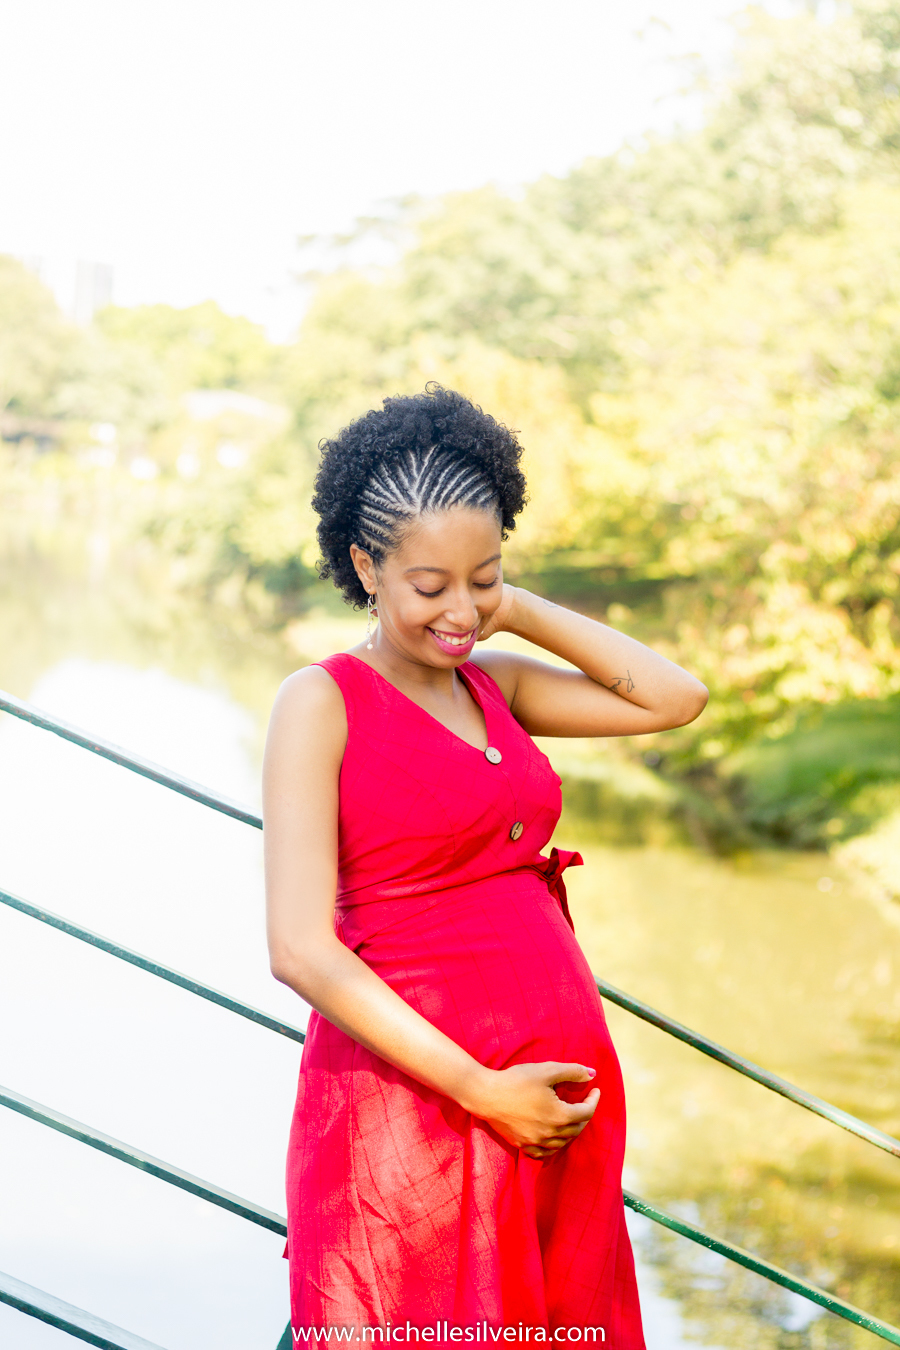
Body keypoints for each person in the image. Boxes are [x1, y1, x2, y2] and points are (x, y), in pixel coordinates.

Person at [263, 386, 708, 1345]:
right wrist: (481, 1090)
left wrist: (513, 607)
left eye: (486, 576)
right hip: (419, 1108)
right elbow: (300, 948)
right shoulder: (321, 702)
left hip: (552, 1118)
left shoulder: (494, 684)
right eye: (431, 586)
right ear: (364, 566)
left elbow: (674, 698)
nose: (461, 608)